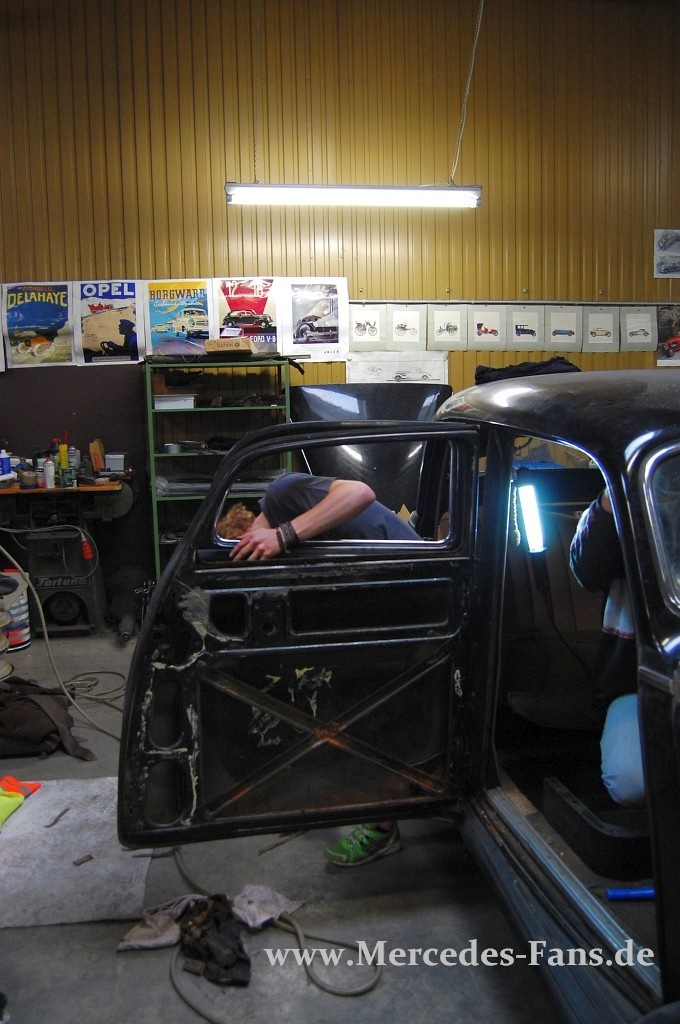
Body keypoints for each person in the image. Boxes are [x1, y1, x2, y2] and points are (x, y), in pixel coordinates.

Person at [226, 471, 418, 865]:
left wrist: (282, 536)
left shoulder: (281, 494)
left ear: (246, 534)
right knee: (343, 705)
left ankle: (382, 828)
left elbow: (360, 492)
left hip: (412, 590)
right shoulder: (293, 528)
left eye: (246, 552)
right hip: (380, 600)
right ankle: (354, 804)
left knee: (370, 715)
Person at [569, 488, 644, 807]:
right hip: (635, 678)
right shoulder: (622, 500)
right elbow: (588, 571)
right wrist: (613, 496)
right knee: (631, 781)